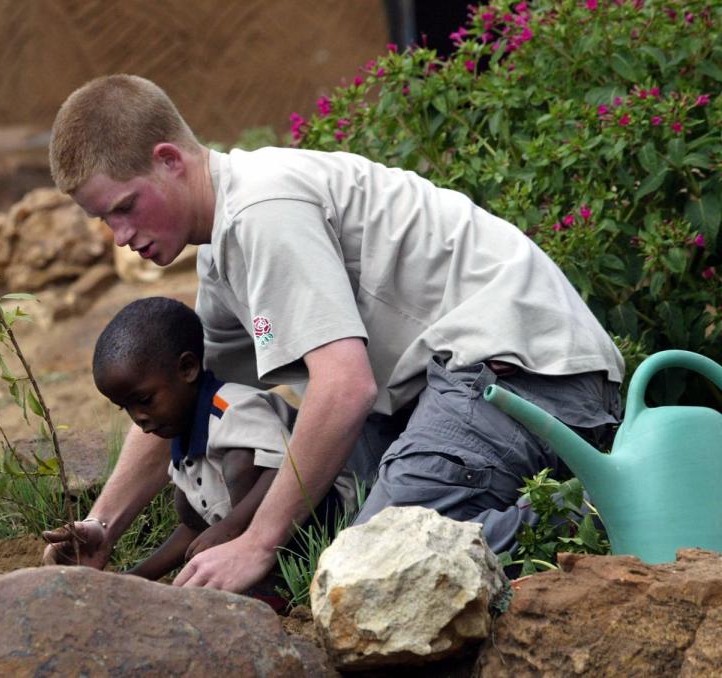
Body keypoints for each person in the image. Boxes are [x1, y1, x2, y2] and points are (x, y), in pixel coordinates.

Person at [42, 74, 625, 592]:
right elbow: (186, 391)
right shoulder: (226, 245)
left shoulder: (262, 210)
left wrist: (258, 542)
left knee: (374, 568)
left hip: (525, 374)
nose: (119, 234)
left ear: (169, 159)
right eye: (105, 220)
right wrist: (102, 524)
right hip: (461, 384)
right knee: (335, 542)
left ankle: (604, 514)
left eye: (124, 207)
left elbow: (345, 389)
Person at [44, 296, 351, 583]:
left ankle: (274, 583)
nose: (138, 418)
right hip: (261, 525)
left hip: (326, 512)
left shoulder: (233, 409)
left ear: (188, 369)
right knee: (186, 502)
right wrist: (132, 581)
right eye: (126, 408)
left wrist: (230, 529)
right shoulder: (182, 438)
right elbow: (195, 528)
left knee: (239, 463)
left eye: (145, 400)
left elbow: (287, 469)